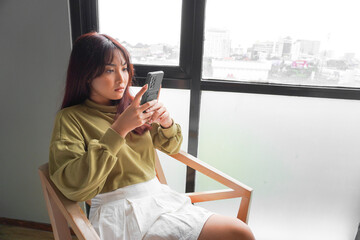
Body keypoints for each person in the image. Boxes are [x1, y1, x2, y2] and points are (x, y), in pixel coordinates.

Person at [49, 32, 255, 240]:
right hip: (117, 213)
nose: (121, 79)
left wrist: (166, 123)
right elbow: (73, 186)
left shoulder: (132, 106)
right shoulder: (71, 118)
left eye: (124, 68)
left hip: (161, 201)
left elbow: (172, 147)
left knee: (240, 233)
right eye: (109, 70)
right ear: (86, 74)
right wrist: (119, 130)